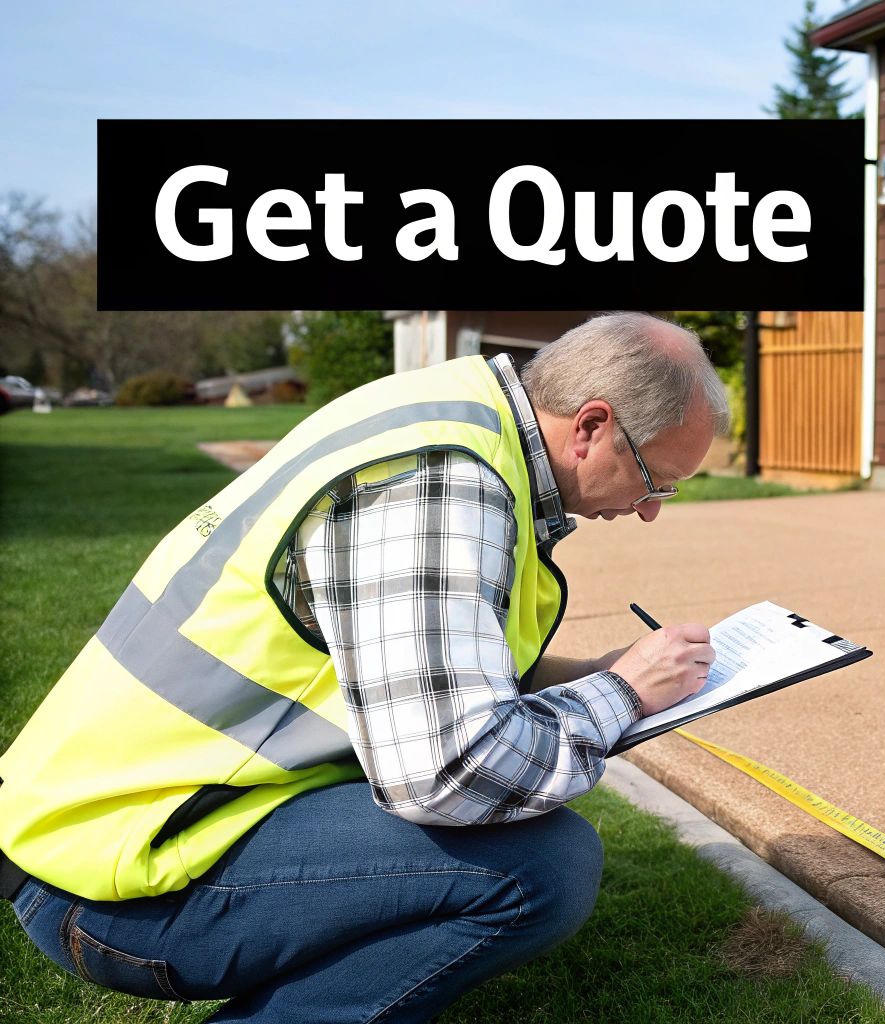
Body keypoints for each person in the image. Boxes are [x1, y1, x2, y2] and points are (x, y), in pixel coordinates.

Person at [0, 311, 730, 1021]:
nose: (650, 509)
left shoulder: (458, 417)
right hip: (117, 879)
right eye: (654, 479)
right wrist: (622, 694)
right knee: (544, 864)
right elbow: (450, 772)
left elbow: (449, 663)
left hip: (112, 824)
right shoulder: (439, 483)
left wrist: (594, 672)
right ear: (592, 426)